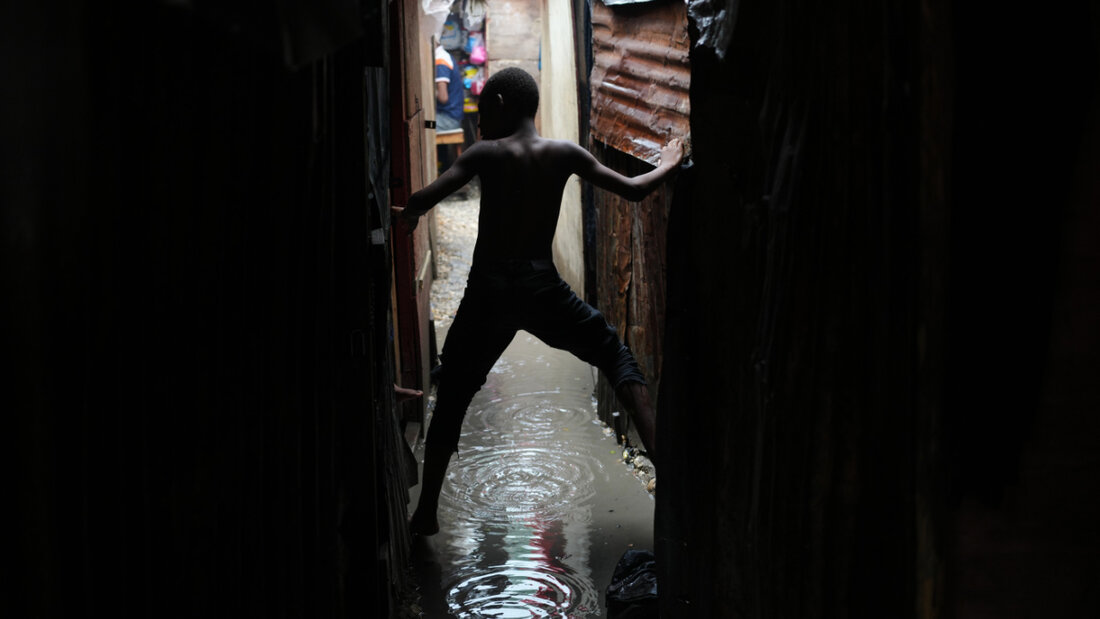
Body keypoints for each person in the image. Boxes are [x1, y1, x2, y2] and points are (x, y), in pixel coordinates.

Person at [394, 67, 683, 536]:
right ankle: (671, 477)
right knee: (614, 354)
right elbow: (634, 190)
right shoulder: (564, 153)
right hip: (540, 287)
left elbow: (425, 198)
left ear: (504, 101)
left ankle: (426, 513)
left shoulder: (484, 154)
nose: (481, 120)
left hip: (489, 292)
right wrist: (669, 162)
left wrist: (408, 216)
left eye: (485, 108)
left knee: (451, 399)